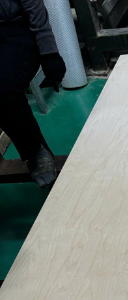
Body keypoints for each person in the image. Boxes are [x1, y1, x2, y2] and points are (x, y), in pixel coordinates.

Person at [0, 0, 66, 188]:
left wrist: (49, 53)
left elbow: (34, 8)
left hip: (14, 31)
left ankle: (35, 150)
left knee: (4, 88)